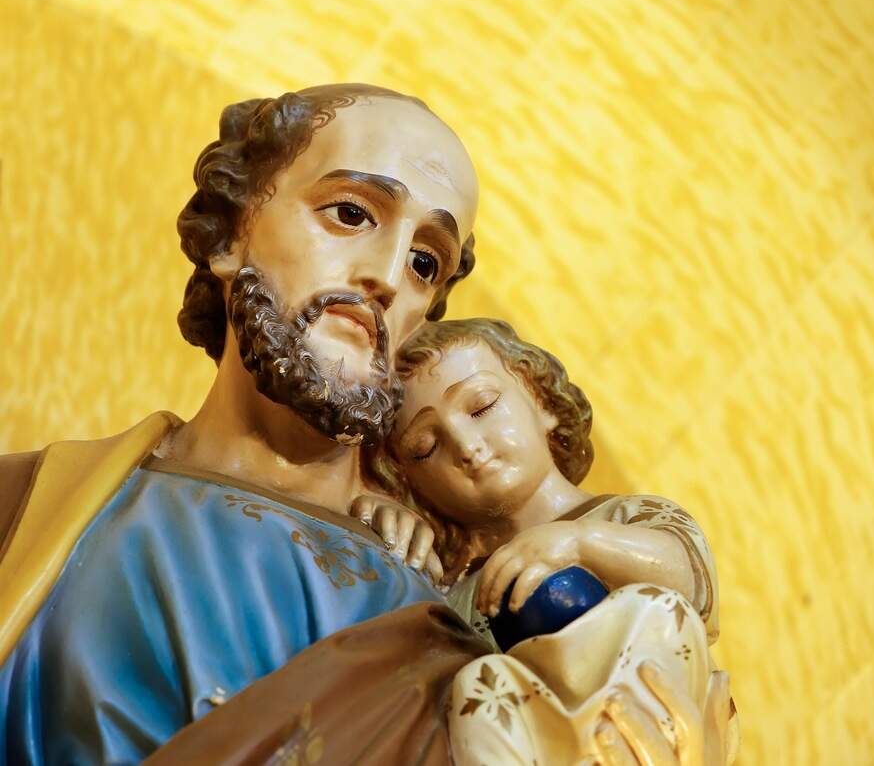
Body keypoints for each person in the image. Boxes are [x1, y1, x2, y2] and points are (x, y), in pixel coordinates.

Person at [0, 84, 731, 764]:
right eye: (351, 214)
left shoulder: (444, 624)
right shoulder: (22, 513)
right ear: (231, 232)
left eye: (425, 262)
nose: (385, 275)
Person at [359, 316, 732, 764]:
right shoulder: (456, 594)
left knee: (652, 607)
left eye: (481, 408)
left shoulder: (624, 521)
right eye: (426, 447)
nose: (467, 446)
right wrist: (379, 533)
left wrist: (578, 543)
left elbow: (690, 582)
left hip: (653, 728)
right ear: (411, 482)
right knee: (477, 688)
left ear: (539, 398)